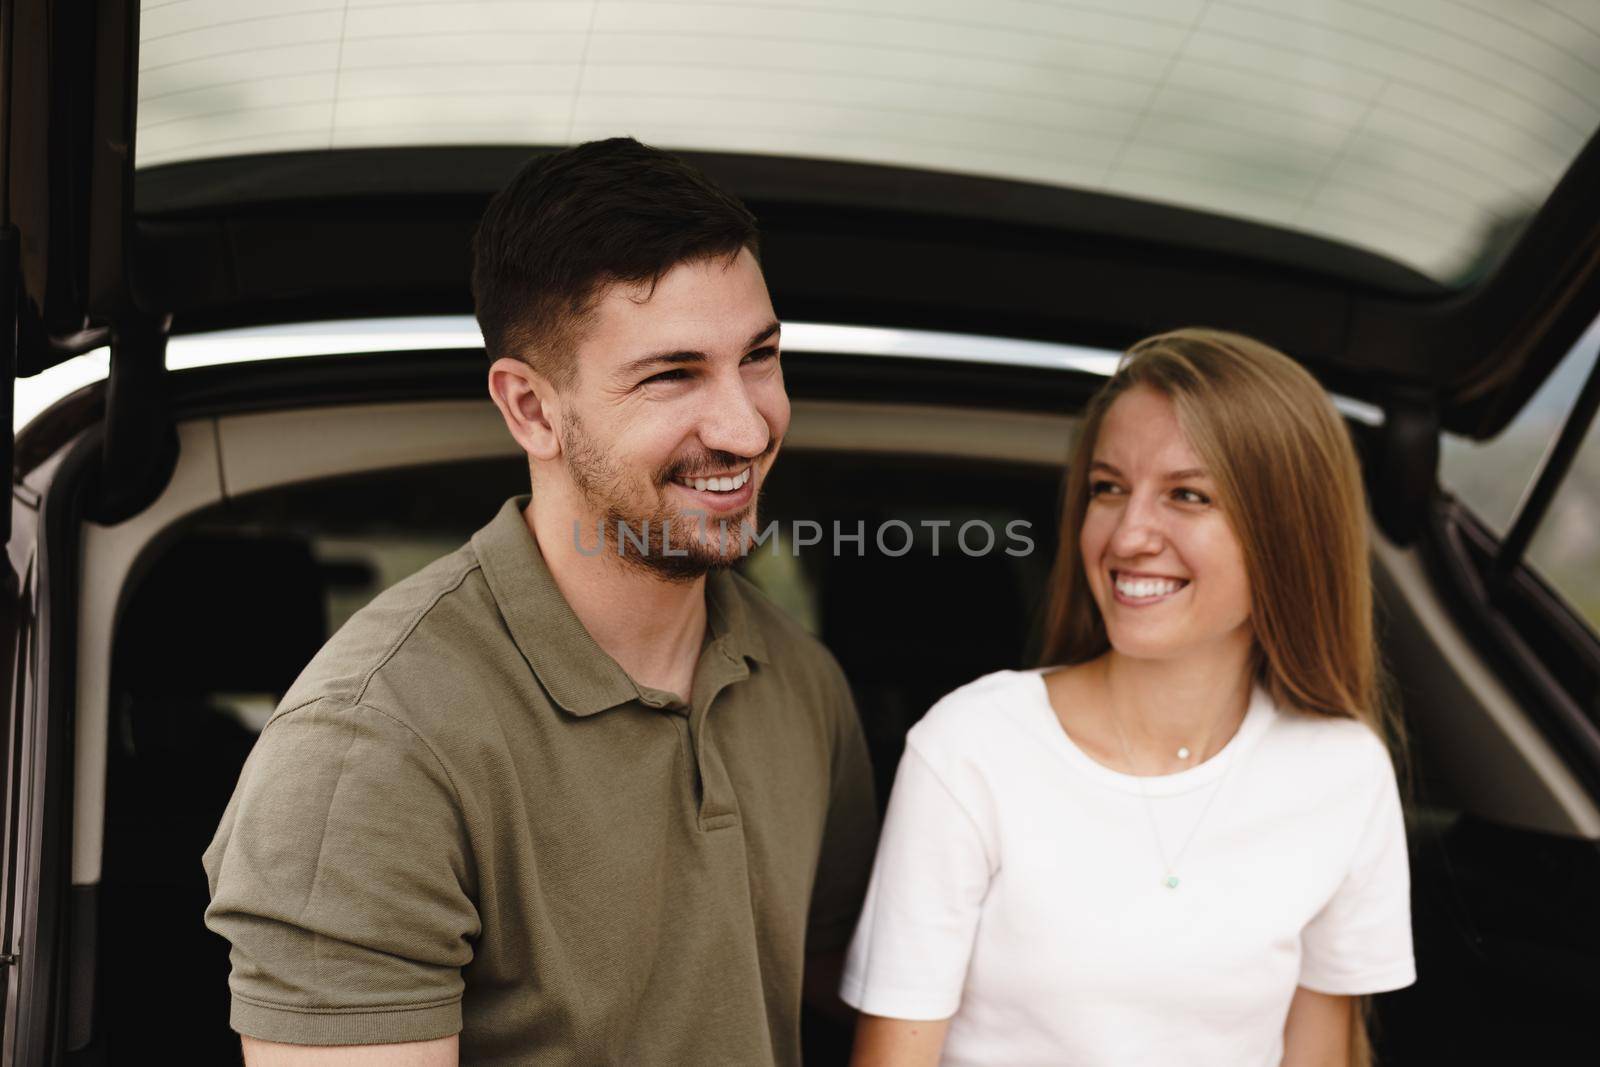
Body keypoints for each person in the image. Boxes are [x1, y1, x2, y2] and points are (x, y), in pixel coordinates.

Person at [202, 137, 878, 1066]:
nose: (747, 424)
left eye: (758, 356)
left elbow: (852, 995)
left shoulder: (803, 682)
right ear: (529, 408)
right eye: (672, 374)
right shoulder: (367, 750)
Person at [839, 328, 1416, 1067]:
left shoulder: (1341, 771)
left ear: (1286, 533)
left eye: (1188, 494)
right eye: (1109, 488)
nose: (1129, 534)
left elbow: (1320, 1054)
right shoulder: (971, 748)